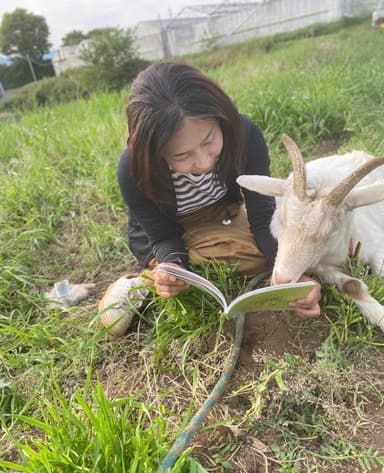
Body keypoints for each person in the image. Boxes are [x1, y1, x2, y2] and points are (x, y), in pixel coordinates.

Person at [98, 61, 321, 336]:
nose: (202, 162)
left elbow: (262, 216)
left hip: (224, 213)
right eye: (181, 156)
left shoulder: (244, 134)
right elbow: (162, 237)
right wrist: (174, 269)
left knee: (276, 246)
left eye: (208, 141)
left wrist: (291, 277)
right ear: (155, 151)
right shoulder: (134, 169)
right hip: (170, 229)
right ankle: (144, 282)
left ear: (221, 117)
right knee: (202, 266)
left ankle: (175, 270)